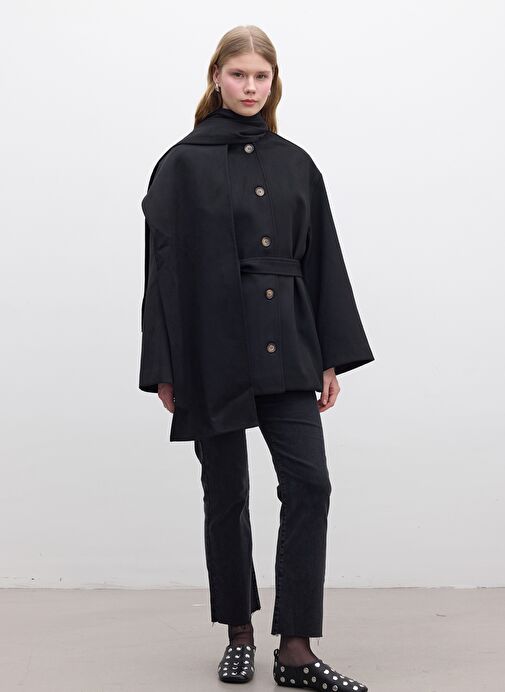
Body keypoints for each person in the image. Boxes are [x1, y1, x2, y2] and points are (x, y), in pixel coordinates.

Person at [139, 25, 373, 691]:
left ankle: (295, 649)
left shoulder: (296, 163)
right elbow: (161, 272)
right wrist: (165, 366)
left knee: (309, 484)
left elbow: (322, 260)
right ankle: (238, 633)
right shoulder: (180, 164)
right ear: (216, 77)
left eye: (260, 76)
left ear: (274, 83)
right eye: (238, 74)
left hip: (289, 343)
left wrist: (328, 356)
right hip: (210, 346)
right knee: (226, 493)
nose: (249, 86)